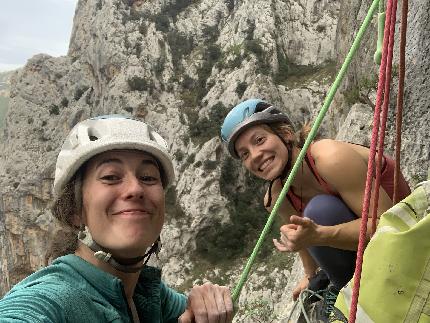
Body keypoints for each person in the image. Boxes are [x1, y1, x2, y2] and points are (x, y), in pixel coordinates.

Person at [0, 115, 234, 323]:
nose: (135, 188)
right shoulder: (51, 299)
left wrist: (205, 305)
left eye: (148, 177)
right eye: (111, 176)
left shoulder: (149, 295)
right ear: (75, 210)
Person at [220, 98, 411, 312]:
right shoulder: (277, 198)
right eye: (244, 154)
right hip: (366, 251)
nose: (254, 156)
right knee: (315, 215)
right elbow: (301, 235)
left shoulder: (330, 157)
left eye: (259, 140)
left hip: (404, 236)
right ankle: (344, 288)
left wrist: (320, 235)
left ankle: (343, 292)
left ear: (286, 134)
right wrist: (309, 276)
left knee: (319, 210)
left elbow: (388, 226)